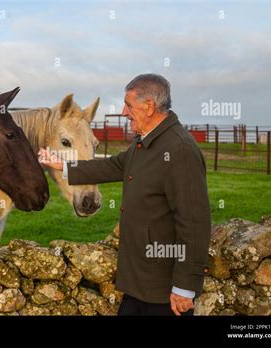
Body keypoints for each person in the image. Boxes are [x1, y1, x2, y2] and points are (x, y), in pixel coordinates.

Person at [38, 73, 211, 316]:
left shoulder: (179, 148)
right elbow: (111, 166)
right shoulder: (146, 143)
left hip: (164, 291)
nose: (123, 112)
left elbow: (194, 221)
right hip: (140, 282)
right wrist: (61, 165)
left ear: (149, 106)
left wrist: (184, 287)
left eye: (129, 105)